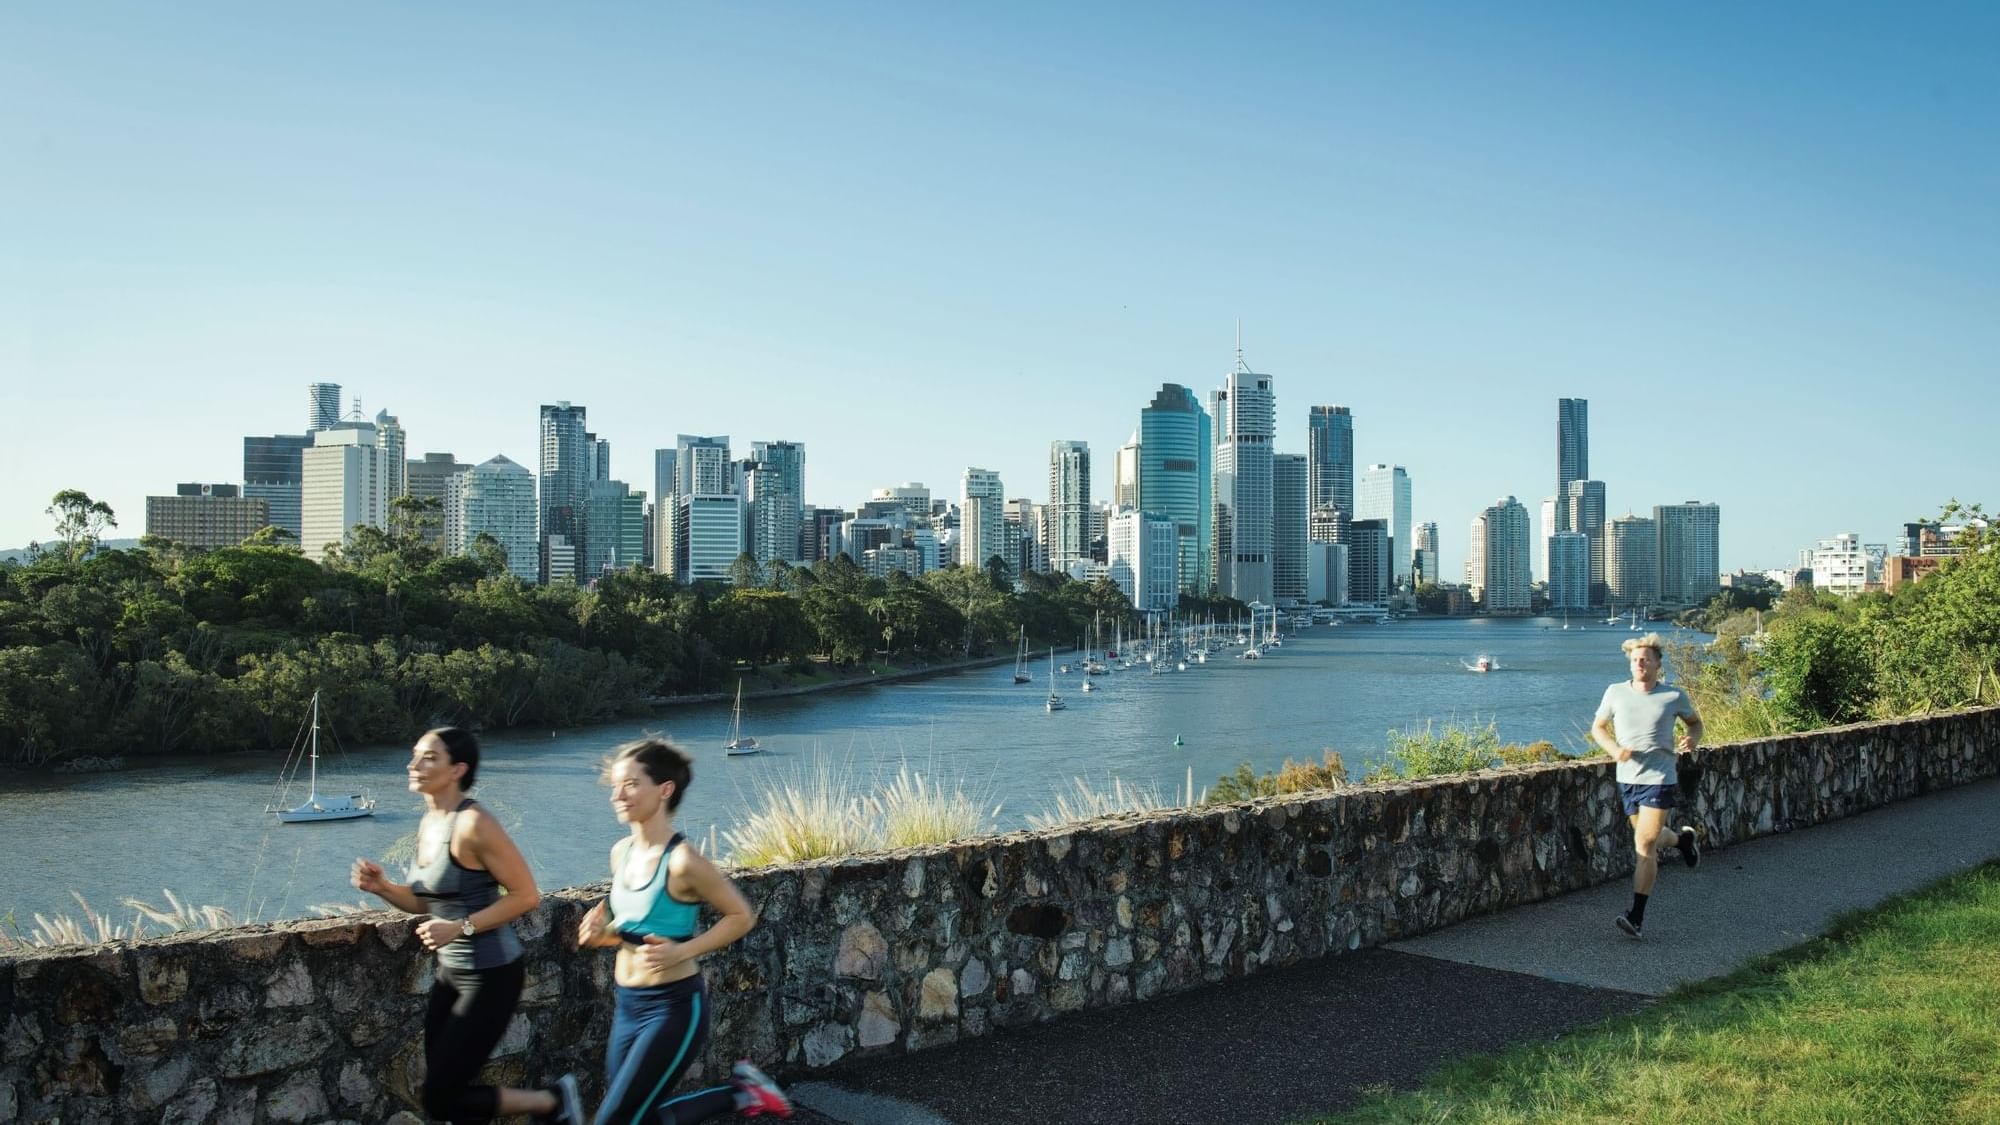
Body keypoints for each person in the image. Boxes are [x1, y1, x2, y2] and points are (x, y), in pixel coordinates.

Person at [352, 727, 585, 1124]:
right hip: (452, 975)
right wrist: (383, 888)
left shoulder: (474, 822)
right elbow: (425, 900)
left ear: (457, 769)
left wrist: (460, 928)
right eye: (415, 755)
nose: (414, 764)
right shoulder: (430, 823)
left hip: (492, 975)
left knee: (441, 1098)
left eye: (429, 757)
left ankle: (552, 1101)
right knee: (447, 1095)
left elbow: (526, 895)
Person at [574, 737, 792, 1123]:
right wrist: (601, 935)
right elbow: (635, 931)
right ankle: (745, 1090)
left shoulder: (682, 861)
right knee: (637, 1117)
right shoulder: (620, 853)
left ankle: (737, 1094)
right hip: (628, 1004)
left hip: (673, 1007)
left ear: (664, 790)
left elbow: (741, 915)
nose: (618, 795)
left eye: (631, 784)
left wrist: (682, 951)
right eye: (615, 786)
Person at [1592, 633, 1705, 939]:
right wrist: (1615, 752)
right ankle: (1682, 842)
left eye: (1645, 659)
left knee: (1644, 844)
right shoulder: (1615, 692)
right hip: (1627, 779)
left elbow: (1695, 723)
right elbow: (1598, 728)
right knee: (1650, 838)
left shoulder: (1673, 696)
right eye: (1635, 660)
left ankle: (1636, 917)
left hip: (1659, 779)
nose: (1640, 664)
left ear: (1657, 664)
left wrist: (1692, 738)